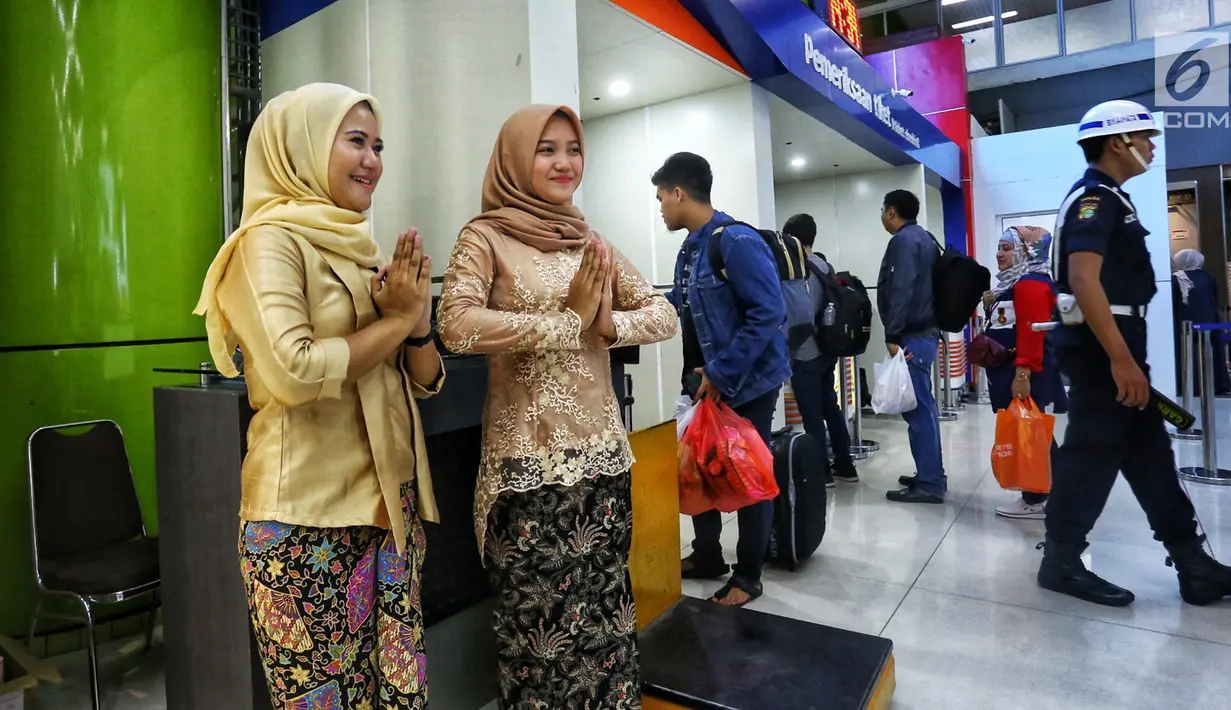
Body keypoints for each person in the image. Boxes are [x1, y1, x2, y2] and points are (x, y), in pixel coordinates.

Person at [194, 83, 442, 707]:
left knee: (399, 697)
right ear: (299, 146)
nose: (373, 160)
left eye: (378, 145)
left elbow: (422, 379)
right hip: (308, 523)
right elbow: (294, 372)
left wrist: (416, 327)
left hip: (389, 511)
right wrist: (394, 321)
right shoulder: (263, 244)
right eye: (355, 141)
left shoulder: (359, 247)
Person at [437, 105, 676, 709]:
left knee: (605, 623)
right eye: (547, 149)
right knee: (540, 637)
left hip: (602, 462)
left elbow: (664, 314)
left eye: (573, 149)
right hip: (530, 472)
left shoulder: (590, 241)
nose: (564, 162)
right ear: (516, 157)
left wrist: (604, 322)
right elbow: (456, 324)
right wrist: (565, 322)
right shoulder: (484, 236)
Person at [1038, 99, 1231, 607]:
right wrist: (1121, 360)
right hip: (1104, 352)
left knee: (1150, 456)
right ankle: (1060, 560)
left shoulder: (1113, 199)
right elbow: (1082, 279)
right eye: (1144, 136)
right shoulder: (1094, 199)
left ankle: (1192, 561)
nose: (1150, 145)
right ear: (1115, 141)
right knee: (1090, 455)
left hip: (1116, 346)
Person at [658, 151, 790, 607]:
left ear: (679, 193)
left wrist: (722, 371)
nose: (660, 208)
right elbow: (681, 305)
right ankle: (708, 554)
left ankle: (748, 576)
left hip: (745, 381)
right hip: (702, 383)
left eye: (661, 198)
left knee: (744, 471)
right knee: (700, 467)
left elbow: (769, 312)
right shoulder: (690, 248)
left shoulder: (734, 240)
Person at [984, 226, 1068, 520]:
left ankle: (1038, 498)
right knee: (1035, 434)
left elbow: (1031, 332)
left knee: (1033, 435)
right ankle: (1048, 495)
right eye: (999, 247)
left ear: (1028, 250)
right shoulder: (1018, 283)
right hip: (1021, 371)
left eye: (1007, 248)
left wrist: (1022, 374)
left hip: (1024, 372)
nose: (999, 253)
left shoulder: (1030, 284)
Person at [877, 190, 946, 504]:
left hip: (913, 336)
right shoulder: (926, 238)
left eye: (883, 210)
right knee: (923, 408)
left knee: (918, 411)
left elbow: (901, 289)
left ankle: (930, 483)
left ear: (891, 212)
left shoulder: (904, 241)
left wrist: (892, 334)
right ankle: (931, 474)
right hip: (927, 332)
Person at [782, 213, 858, 485]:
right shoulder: (825, 266)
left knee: (812, 414)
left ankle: (820, 472)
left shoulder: (798, 270)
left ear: (791, 238)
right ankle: (846, 466)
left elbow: (799, 313)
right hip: (827, 351)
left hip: (805, 353)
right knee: (830, 408)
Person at [1172, 248, 1230, 395]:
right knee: (1211, 354)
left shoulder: (1176, 278)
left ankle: (1190, 385)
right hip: (1210, 322)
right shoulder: (1207, 277)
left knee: (1188, 355)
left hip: (1185, 325)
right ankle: (1217, 384)